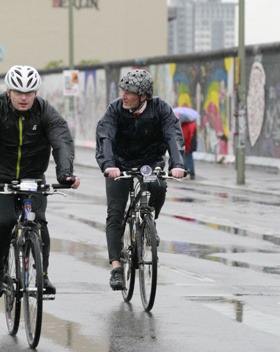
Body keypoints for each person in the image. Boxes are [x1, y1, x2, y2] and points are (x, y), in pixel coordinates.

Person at [96, 69, 185, 291]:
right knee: (115, 213)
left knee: (158, 187)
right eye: (123, 90)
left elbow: (173, 134)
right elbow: (105, 135)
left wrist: (177, 164)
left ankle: (149, 221)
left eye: (130, 92)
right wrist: (109, 165)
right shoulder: (116, 109)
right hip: (119, 164)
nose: (123, 95)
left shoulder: (160, 109)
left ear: (143, 96)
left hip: (150, 162)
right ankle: (117, 268)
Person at [0, 65, 80, 296]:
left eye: (29, 92)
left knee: (40, 224)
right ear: (9, 91)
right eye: (18, 92)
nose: (24, 98)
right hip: (2, 178)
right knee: (4, 222)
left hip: (32, 176)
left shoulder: (45, 112)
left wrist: (65, 173)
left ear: (36, 93)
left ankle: (42, 276)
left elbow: (62, 141)